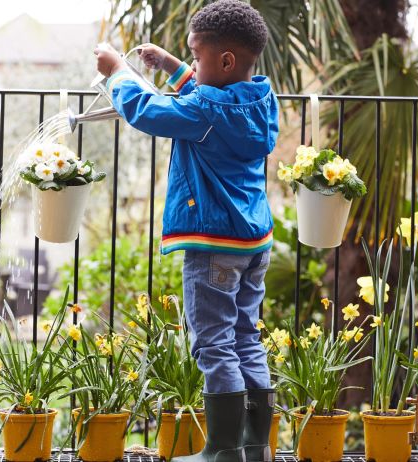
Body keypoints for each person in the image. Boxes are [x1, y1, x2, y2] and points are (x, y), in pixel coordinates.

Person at [95, 1, 279, 461]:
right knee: (245, 336)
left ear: (226, 60)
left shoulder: (205, 112)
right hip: (254, 242)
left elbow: (146, 111)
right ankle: (255, 447)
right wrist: (172, 66)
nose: (192, 64)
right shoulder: (260, 99)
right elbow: (210, 94)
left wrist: (117, 72)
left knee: (214, 343)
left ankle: (221, 450)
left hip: (213, 245)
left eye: (195, 56)